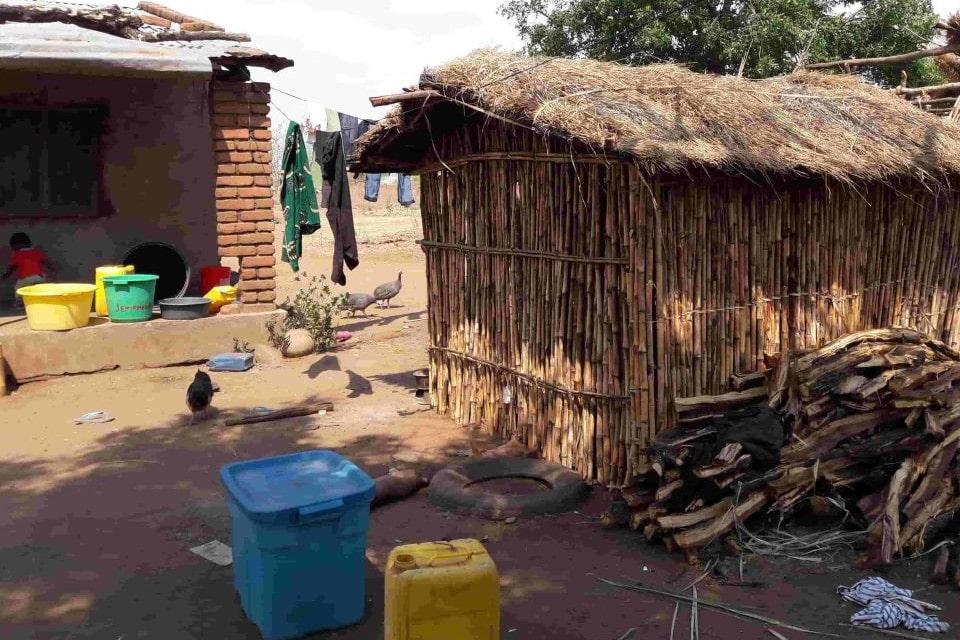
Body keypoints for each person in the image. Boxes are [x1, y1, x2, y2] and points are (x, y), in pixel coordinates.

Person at [3, 233, 52, 308]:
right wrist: (52, 270)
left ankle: (19, 304)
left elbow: (12, 268)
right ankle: (43, 303)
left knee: (18, 288)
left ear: (15, 245)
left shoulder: (17, 254)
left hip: (26, 277)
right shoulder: (36, 252)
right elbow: (46, 262)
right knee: (40, 290)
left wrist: (5, 276)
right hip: (41, 276)